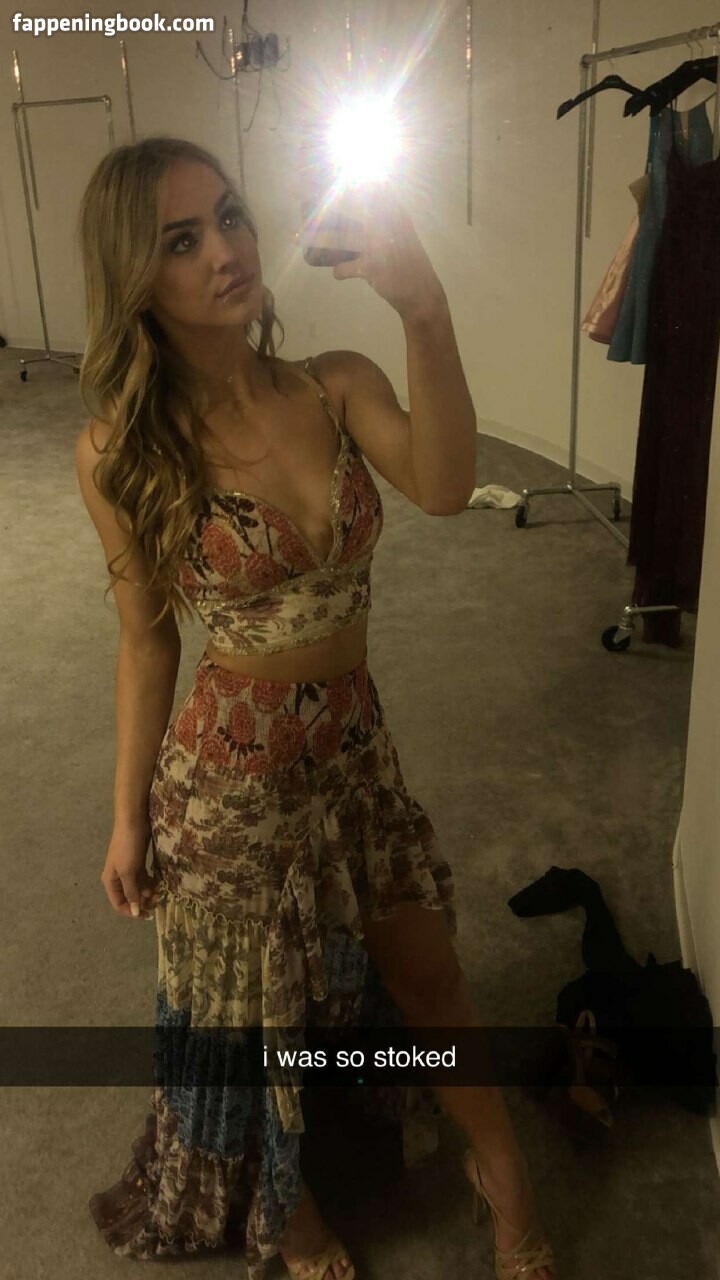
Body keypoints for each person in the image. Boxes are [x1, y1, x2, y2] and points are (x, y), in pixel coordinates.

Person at [74, 136, 556, 1280]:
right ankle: (292, 1222)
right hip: (229, 785)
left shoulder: (332, 382)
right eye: (182, 240)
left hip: (354, 749)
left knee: (431, 975)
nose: (225, 250)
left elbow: (445, 484)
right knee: (254, 1022)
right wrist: (127, 815)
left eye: (230, 216)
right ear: (136, 275)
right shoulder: (119, 449)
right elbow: (147, 640)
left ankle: (505, 1176)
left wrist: (424, 307)